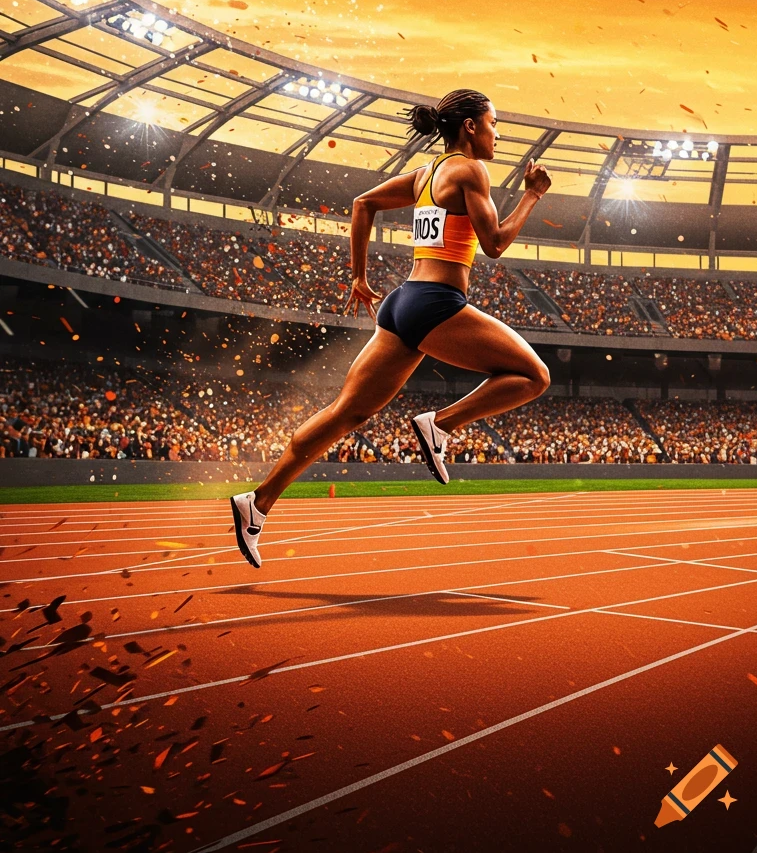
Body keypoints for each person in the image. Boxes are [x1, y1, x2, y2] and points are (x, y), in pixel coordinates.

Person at [231, 88, 551, 568]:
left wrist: (359, 277)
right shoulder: (469, 170)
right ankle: (441, 424)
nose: (497, 135)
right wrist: (532, 195)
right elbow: (496, 243)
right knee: (534, 376)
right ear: (470, 126)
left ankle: (257, 502)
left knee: (345, 413)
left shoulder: (426, 174)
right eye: (493, 124)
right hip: (435, 303)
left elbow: (363, 203)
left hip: (402, 304)